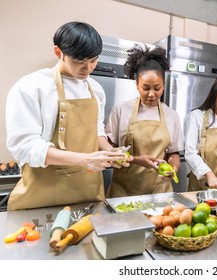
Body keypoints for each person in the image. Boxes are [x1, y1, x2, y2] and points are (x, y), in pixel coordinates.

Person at [5, 21, 129, 211]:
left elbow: (96, 131)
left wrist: (109, 151)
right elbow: (24, 147)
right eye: (80, 61)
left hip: (87, 194)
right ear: (58, 52)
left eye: (93, 60)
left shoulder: (95, 89)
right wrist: (85, 160)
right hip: (42, 195)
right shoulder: (31, 87)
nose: (88, 69)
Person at [105, 44, 184, 197]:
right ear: (137, 85)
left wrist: (173, 168)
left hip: (160, 191)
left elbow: (173, 153)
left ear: (164, 86)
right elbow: (110, 150)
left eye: (157, 88)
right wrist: (134, 159)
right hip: (124, 191)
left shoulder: (171, 115)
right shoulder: (121, 110)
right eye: (145, 88)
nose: (151, 94)